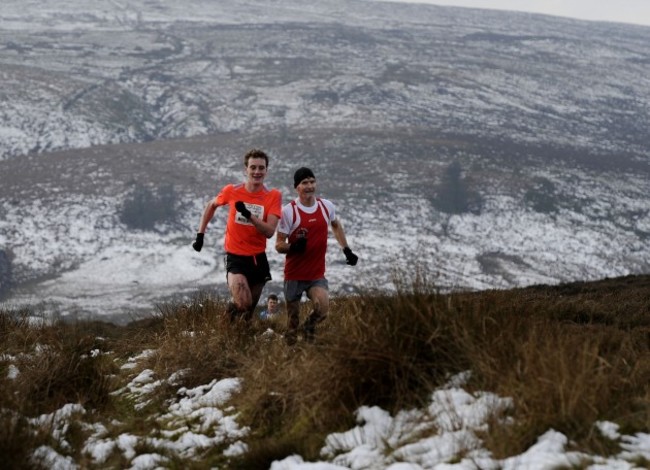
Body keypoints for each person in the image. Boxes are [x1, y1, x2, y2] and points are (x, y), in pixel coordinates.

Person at [192, 148, 282, 321]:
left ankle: (233, 336)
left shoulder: (273, 196)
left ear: (266, 171)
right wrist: (200, 235)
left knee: (247, 313)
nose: (257, 172)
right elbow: (211, 205)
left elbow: (269, 231)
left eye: (261, 168)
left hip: (258, 258)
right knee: (243, 302)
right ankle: (218, 332)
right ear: (245, 169)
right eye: (253, 167)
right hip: (236, 258)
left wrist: (249, 215)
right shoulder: (231, 191)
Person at [275, 167, 358, 344]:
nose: (309, 186)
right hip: (294, 275)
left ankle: (308, 330)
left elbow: (335, 225)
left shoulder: (326, 206)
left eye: (312, 181)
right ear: (297, 187)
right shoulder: (288, 211)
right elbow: (279, 245)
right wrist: (294, 247)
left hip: (316, 274)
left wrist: (346, 249)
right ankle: (290, 354)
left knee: (323, 310)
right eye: (305, 183)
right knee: (292, 322)